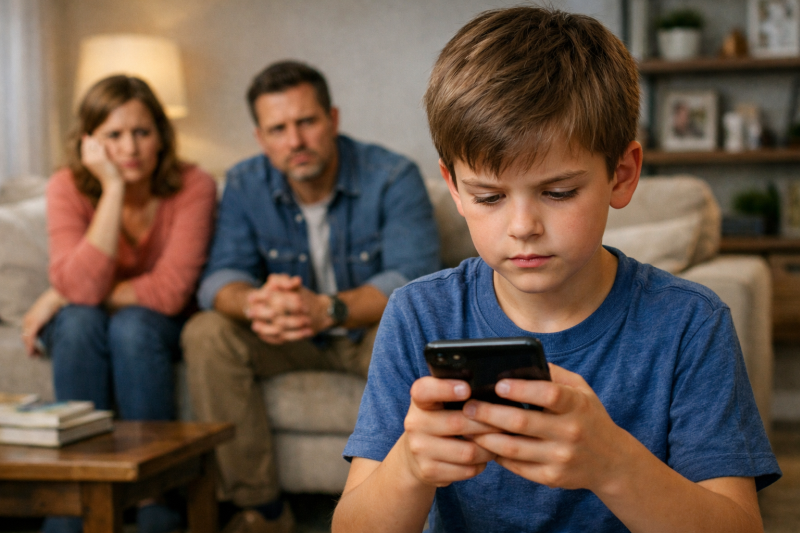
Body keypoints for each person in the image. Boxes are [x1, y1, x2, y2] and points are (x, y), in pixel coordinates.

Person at [333, 7, 781, 533]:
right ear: (453, 187)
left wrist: (612, 463)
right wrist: (409, 465)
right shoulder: (419, 314)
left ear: (622, 174)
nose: (523, 226)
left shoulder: (689, 323)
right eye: (489, 196)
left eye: (558, 192)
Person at [181, 60, 439, 532]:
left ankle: (410, 509)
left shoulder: (392, 175)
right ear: (261, 138)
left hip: (365, 331)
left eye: (306, 122)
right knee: (207, 333)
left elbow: (414, 277)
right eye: (278, 129)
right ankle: (263, 511)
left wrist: (329, 310)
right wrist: (255, 303)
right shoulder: (243, 182)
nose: (294, 141)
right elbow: (221, 276)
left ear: (333, 120)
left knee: (412, 330)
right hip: (286, 335)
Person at [21, 75, 217, 533]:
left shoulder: (194, 184)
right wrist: (110, 189)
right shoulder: (66, 186)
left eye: (142, 132)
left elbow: (170, 291)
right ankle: (74, 501)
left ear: (161, 137)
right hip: (85, 322)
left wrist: (57, 293)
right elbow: (83, 293)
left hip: (155, 326)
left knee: (128, 325)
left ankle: (155, 500)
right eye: (114, 135)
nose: (130, 148)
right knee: (77, 321)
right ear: (89, 141)